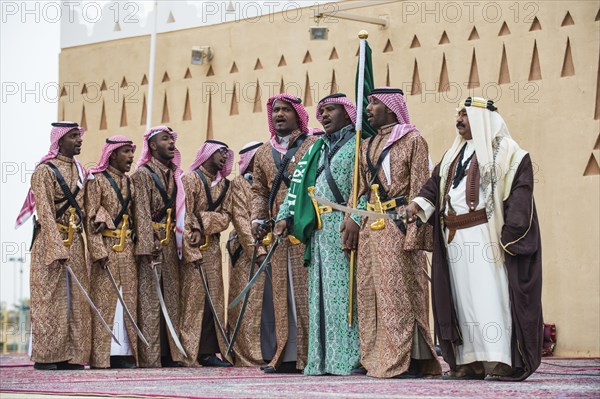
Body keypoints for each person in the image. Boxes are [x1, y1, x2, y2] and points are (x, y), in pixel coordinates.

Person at [405, 97, 543, 381]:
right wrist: (419, 203)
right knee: (462, 300)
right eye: (457, 115)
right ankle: (469, 362)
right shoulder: (455, 153)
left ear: (482, 119)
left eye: (465, 115)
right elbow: (436, 185)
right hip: (453, 238)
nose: (459, 120)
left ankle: (500, 361)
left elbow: (521, 193)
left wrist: (511, 236)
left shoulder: (510, 153)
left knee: (489, 299)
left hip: (487, 236)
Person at [341, 88, 441, 379]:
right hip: (370, 230)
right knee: (370, 293)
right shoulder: (367, 144)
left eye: (374, 103)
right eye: (368, 102)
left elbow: (421, 187)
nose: (368, 108)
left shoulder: (414, 140)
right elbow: (357, 191)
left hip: (399, 225)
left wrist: (415, 234)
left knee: (400, 294)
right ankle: (375, 357)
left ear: (391, 107)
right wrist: (350, 221)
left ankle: (408, 359)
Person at [274, 93, 361, 375]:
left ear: (347, 114)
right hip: (319, 233)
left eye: (330, 110)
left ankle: (349, 359)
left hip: (345, 228)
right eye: (320, 111)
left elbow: (365, 186)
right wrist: (284, 216)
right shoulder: (316, 147)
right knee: (320, 298)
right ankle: (322, 360)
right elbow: (297, 187)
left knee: (345, 297)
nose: (322, 115)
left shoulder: (359, 145)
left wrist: (355, 217)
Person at [16, 121, 91, 370]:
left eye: (79, 136)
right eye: (73, 136)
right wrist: (56, 247)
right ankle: (47, 357)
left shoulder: (82, 171)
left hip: (75, 242)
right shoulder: (44, 171)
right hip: (49, 243)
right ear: (59, 140)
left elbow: (87, 208)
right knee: (49, 300)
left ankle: (71, 355)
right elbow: (45, 212)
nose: (79, 140)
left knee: (75, 300)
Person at [250, 94, 317, 373]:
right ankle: (285, 356)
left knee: (307, 295)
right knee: (282, 294)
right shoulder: (264, 152)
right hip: (277, 236)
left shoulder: (314, 146)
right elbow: (259, 190)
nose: (279, 114)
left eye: (285, 110)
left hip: (306, 232)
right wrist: (257, 219)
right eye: (275, 110)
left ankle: (310, 355)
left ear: (297, 114)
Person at [132, 126, 186, 368]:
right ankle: (150, 356)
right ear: (152, 146)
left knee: (173, 298)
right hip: (151, 244)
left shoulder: (175, 174)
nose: (171, 143)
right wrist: (147, 243)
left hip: (170, 243)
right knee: (150, 299)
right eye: (165, 139)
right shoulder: (142, 174)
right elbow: (140, 210)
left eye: (172, 139)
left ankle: (172, 353)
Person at [85, 136, 138, 369]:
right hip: (105, 250)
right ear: (113, 154)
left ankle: (124, 352)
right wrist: (98, 251)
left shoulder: (129, 183)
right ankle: (102, 355)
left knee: (126, 301)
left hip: (127, 249)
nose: (130, 157)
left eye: (132, 152)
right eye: (126, 152)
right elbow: (90, 217)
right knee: (105, 302)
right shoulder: (96, 181)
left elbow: (135, 219)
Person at [180, 140, 233, 368]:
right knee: (192, 301)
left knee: (214, 301)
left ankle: (209, 352)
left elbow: (226, 217)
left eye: (226, 153)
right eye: (220, 152)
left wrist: (203, 222)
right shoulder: (190, 180)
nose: (224, 156)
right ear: (208, 154)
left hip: (212, 248)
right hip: (191, 245)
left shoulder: (226, 186)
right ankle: (187, 352)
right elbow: (185, 213)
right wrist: (196, 231)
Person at [227, 141, 268, 366]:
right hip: (246, 252)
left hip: (271, 249)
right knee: (248, 304)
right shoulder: (238, 184)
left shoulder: (267, 181)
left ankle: (269, 351)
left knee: (268, 306)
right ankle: (246, 355)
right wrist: (258, 250)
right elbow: (242, 221)